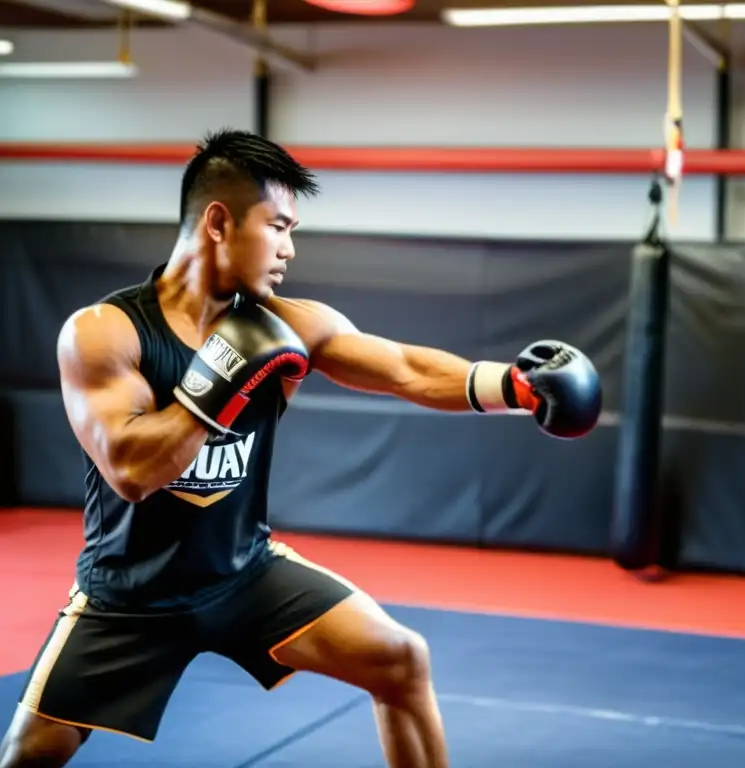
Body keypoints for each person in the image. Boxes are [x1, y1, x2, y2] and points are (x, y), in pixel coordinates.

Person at [0, 129, 602, 768]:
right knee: (30, 754)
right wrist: (218, 379)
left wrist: (513, 386)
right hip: (129, 597)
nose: (290, 248)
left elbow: (402, 366)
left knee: (400, 660)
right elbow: (131, 469)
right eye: (279, 226)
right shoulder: (105, 333)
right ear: (219, 222)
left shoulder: (289, 322)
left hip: (243, 573)